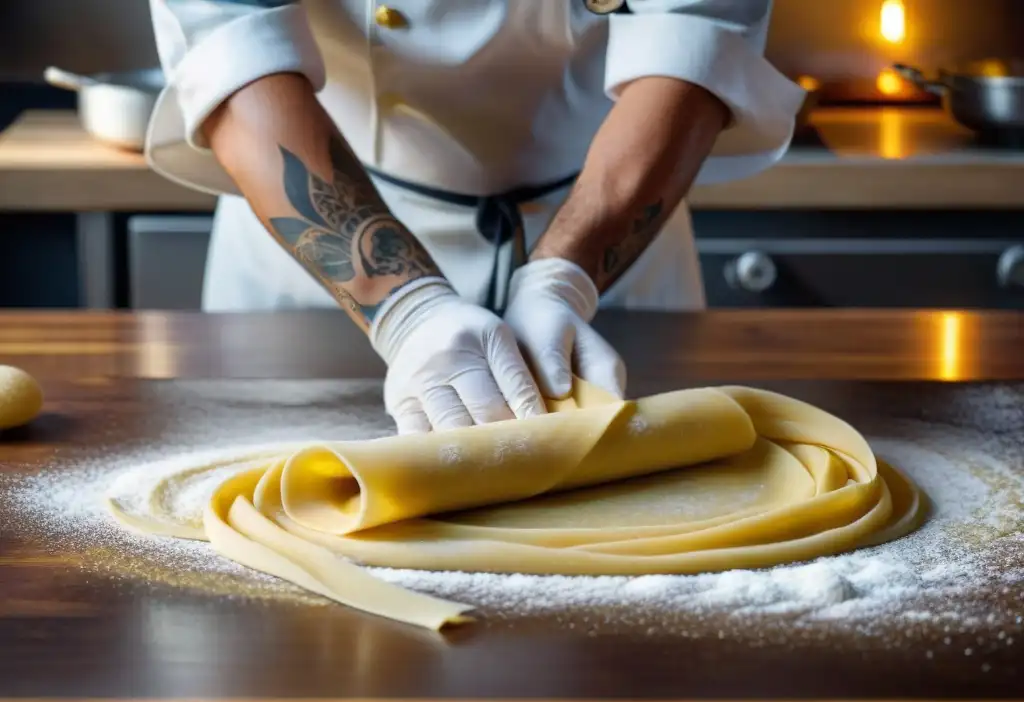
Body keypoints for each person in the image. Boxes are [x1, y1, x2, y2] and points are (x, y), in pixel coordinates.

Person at [147, 0, 804, 433]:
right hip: (319, 261)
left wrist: (564, 280)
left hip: (609, 227)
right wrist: (404, 307)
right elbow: (232, 51)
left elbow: (694, 45)